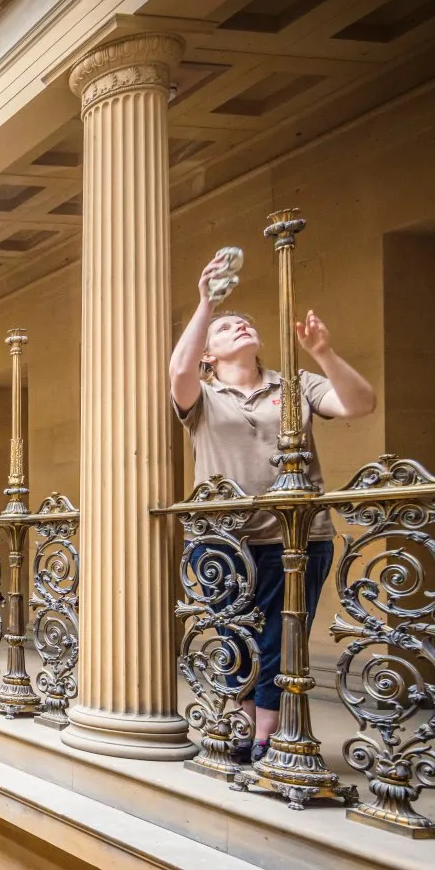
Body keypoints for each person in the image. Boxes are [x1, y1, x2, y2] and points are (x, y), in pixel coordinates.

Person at [169, 251, 375, 763]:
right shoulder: (204, 397)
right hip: (223, 539)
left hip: (297, 535)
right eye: (225, 330)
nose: (238, 327)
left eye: (243, 323)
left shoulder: (296, 385)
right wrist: (204, 305)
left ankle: (267, 736)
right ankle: (242, 727)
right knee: (236, 635)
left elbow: (359, 404)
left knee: (284, 636)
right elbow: (178, 369)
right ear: (208, 356)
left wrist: (324, 353)